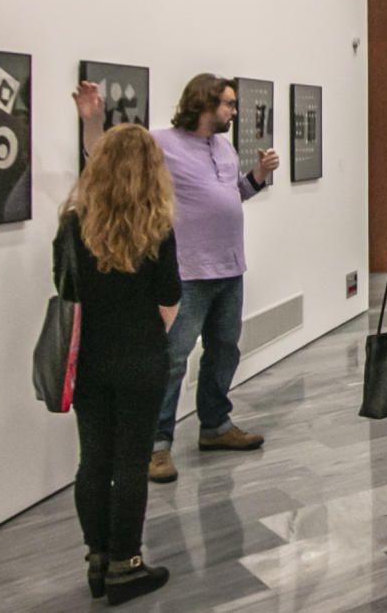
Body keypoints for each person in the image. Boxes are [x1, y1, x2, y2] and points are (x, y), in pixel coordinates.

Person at [74, 74, 281, 484]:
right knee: (171, 360)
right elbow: (104, 155)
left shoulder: (223, 147)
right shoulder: (162, 143)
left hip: (230, 268)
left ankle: (215, 426)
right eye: (227, 104)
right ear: (203, 104)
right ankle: (155, 445)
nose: (233, 111)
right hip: (189, 272)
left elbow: (231, 194)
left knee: (225, 351)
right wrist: (92, 120)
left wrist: (257, 174)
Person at [54, 124, 181, 605]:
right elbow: (170, 294)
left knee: (94, 460)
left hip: (88, 360)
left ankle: (98, 558)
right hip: (142, 356)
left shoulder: (72, 224)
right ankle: (126, 566)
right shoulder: (158, 224)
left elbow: (66, 291)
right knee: (131, 463)